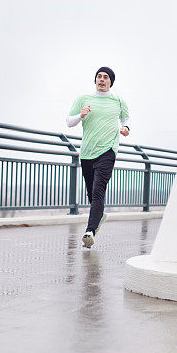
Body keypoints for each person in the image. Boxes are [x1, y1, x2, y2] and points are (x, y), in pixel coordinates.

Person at [66, 67, 130, 248]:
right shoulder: (83, 100)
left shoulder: (118, 101)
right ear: (95, 80)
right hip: (87, 152)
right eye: (99, 77)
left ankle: (90, 231)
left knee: (98, 190)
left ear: (111, 81)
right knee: (91, 194)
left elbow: (126, 119)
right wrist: (81, 115)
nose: (102, 80)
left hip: (108, 150)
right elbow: (69, 122)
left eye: (105, 77)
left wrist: (126, 129)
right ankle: (99, 216)